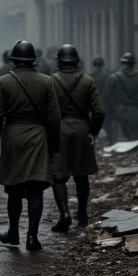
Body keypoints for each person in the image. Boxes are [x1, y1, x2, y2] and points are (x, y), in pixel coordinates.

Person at [0, 40, 61, 252]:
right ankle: (32, 237)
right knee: (35, 190)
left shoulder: (4, 82)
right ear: (33, 61)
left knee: (14, 189)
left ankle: (13, 232)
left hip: (13, 137)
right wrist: (54, 147)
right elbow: (54, 118)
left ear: (14, 60)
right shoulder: (47, 82)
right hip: (38, 137)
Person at [50, 44, 105, 232]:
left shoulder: (51, 81)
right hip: (82, 128)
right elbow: (99, 111)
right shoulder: (88, 81)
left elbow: (47, 112)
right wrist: (93, 131)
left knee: (58, 176)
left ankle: (64, 213)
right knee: (81, 175)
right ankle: (82, 215)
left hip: (59, 129)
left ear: (59, 61)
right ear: (76, 62)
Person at [104, 52, 138, 140]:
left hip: (120, 113)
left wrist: (108, 121)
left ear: (122, 63)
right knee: (135, 141)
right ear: (134, 63)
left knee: (121, 143)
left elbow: (107, 100)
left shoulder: (113, 78)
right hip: (137, 112)